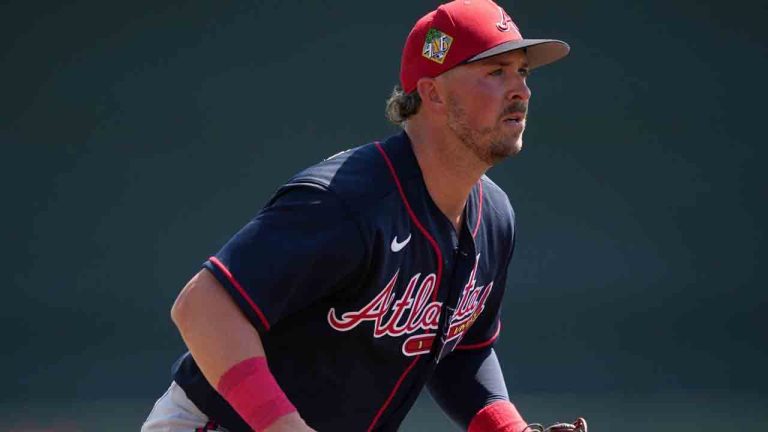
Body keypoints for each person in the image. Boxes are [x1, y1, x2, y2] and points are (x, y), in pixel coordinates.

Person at [142, 1, 587, 431]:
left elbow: (462, 351)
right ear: (432, 92)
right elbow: (203, 307)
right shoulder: (346, 200)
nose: (521, 90)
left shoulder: (494, 218)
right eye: (495, 71)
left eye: (523, 72)